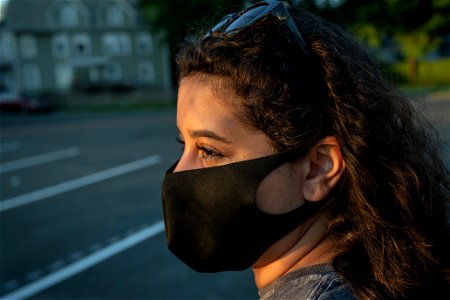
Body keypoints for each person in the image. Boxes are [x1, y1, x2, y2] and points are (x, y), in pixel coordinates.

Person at [161, 1, 450, 299]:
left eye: (209, 150)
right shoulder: (373, 273)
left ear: (318, 168)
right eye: (185, 144)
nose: (179, 172)